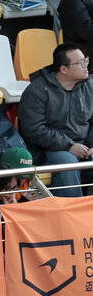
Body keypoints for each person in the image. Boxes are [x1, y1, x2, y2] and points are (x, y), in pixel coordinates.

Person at [18, 43, 93, 196]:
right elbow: (34, 130)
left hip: (85, 147)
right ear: (63, 69)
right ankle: (70, 215)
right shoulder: (37, 90)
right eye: (80, 63)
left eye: (86, 60)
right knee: (67, 162)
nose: (86, 66)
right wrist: (69, 145)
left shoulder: (90, 86)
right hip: (49, 150)